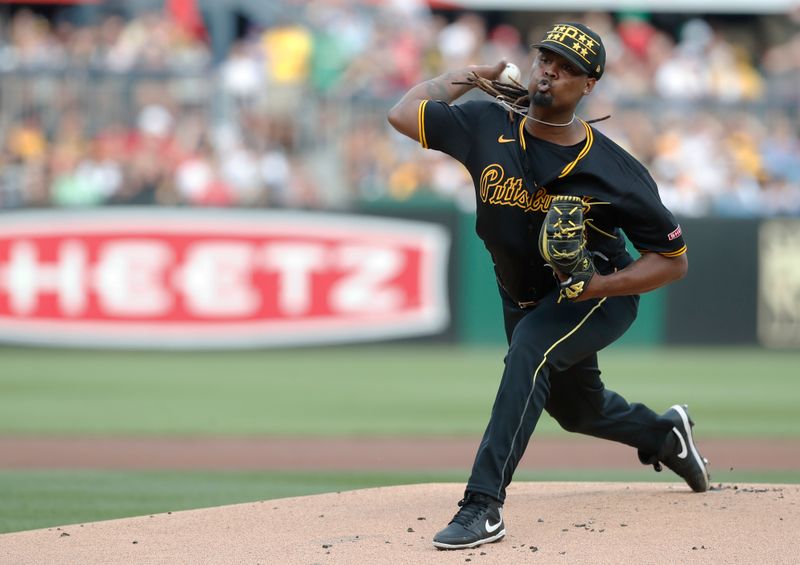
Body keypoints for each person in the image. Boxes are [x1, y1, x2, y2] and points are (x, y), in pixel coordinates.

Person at [387, 22, 711, 551]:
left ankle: (482, 506)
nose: (550, 72)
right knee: (579, 411)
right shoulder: (487, 121)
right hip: (519, 295)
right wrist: (471, 76)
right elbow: (403, 113)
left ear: (588, 87)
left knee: (529, 353)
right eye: (545, 60)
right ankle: (663, 435)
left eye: (567, 69)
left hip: (594, 294)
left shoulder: (615, 173)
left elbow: (672, 262)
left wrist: (603, 285)